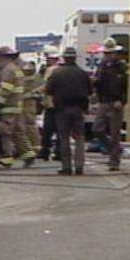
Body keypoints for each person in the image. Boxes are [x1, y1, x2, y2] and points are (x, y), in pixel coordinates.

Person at [45, 47, 92, 175]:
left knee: (64, 138)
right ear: (75, 57)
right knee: (80, 138)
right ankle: (79, 166)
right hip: (78, 109)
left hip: (61, 110)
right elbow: (90, 91)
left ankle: (66, 167)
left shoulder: (57, 73)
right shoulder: (82, 73)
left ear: (64, 58)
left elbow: (48, 90)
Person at [0, 46, 36, 168]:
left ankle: (7, 159)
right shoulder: (15, 69)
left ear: (4, 58)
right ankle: (28, 155)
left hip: (8, 107)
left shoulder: (7, 70)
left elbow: (5, 90)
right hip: (17, 107)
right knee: (18, 133)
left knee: (4, 133)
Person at [92, 37, 128, 170]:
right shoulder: (102, 65)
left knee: (114, 133)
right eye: (105, 53)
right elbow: (99, 83)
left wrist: (122, 100)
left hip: (116, 103)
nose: (107, 56)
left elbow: (127, 86)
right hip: (104, 101)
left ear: (115, 53)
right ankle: (113, 150)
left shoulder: (122, 67)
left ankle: (114, 160)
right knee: (97, 129)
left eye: (109, 53)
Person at [38, 47, 61, 160]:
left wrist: (35, 91)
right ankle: (59, 151)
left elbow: (46, 86)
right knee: (59, 129)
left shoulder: (50, 70)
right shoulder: (61, 68)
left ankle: (45, 151)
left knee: (48, 129)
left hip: (50, 104)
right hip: (59, 104)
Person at [21, 60, 43, 155]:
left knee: (29, 125)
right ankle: (32, 147)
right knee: (27, 126)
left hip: (28, 104)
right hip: (27, 104)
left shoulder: (32, 79)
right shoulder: (37, 78)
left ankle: (35, 148)